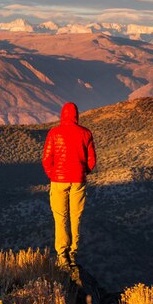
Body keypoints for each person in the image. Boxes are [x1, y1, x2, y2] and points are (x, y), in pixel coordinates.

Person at [42, 102, 96, 269]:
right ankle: (73, 252)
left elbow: (46, 159)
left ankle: (62, 254)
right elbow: (92, 161)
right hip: (78, 181)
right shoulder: (86, 133)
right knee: (75, 217)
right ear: (76, 115)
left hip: (59, 181)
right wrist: (82, 171)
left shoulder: (54, 133)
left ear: (62, 115)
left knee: (60, 217)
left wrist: (54, 175)